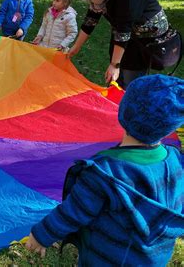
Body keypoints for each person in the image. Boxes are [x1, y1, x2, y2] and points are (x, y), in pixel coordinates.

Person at [25, 74, 184, 266]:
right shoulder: (175, 159)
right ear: (169, 128)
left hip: (106, 259)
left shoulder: (103, 174)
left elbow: (73, 211)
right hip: (152, 259)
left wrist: (42, 235)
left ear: (124, 113)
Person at [68, 0, 178, 88]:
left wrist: (115, 64)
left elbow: (123, 29)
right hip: (126, 36)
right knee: (116, 84)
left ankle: (126, 106)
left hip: (144, 43)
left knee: (128, 85)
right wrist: (76, 47)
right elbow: (92, 18)